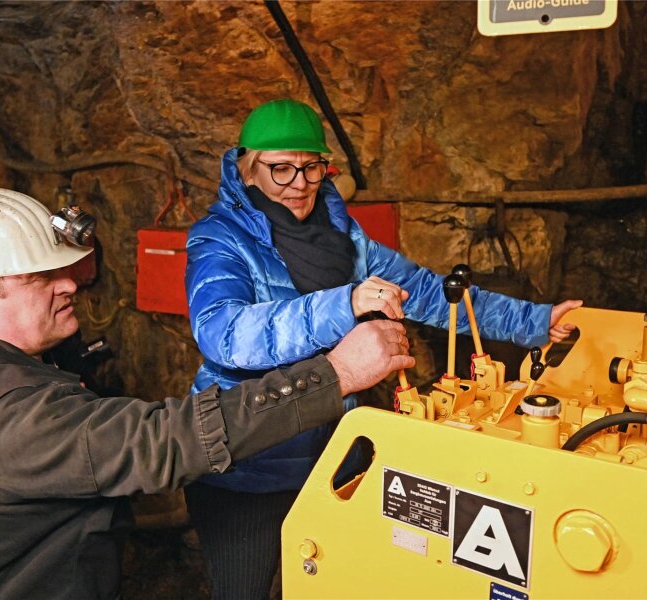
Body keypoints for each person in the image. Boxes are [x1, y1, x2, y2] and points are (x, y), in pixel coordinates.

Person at [0, 187, 414, 599]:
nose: (70, 285)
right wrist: (336, 372)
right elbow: (166, 441)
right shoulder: (10, 417)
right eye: (41, 276)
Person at [183, 98, 583, 599]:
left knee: (327, 582)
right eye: (280, 169)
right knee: (245, 590)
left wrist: (537, 321)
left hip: (333, 451)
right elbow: (224, 332)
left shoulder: (344, 238)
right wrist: (345, 302)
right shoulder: (218, 239)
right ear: (247, 170)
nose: (299, 184)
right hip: (247, 465)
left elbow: (436, 295)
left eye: (311, 168)